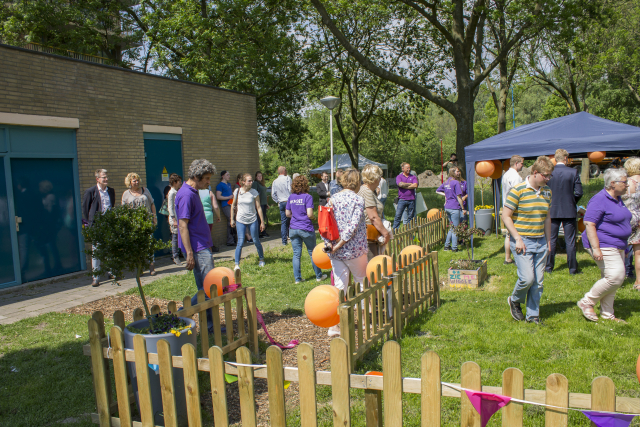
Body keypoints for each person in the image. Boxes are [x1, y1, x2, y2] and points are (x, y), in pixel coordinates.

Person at [503, 156, 554, 325]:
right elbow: (506, 216)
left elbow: (547, 218)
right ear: (535, 172)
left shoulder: (547, 192)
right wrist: (517, 238)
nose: (547, 179)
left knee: (538, 282)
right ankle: (515, 300)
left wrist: (548, 241)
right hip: (523, 240)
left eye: (549, 176)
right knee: (527, 278)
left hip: (540, 240)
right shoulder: (518, 190)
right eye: (545, 175)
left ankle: (532, 317)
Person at [577, 169, 631, 323]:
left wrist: (625, 247)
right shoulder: (599, 199)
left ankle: (607, 314)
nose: (627, 185)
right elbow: (589, 224)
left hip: (618, 245)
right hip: (603, 244)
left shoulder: (618, 198)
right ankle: (587, 301)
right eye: (624, 182)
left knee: (610, 279)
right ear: (612, 184)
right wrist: (596, 249)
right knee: (616, 277)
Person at [322, 168, 368, 337]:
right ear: (357, 182)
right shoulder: (358, 200)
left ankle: (335, 325)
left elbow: (324, 223)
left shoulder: (332, 199)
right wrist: (340, 243)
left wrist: (331, 244)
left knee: (339, 287)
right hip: (355, 250)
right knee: (362, 283)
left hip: (336, 251)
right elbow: (353, 227)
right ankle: (363, 320)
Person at [176, 159, 217, 332]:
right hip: (198, 249)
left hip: (202, 246)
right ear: (196, 176)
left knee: (204, 288)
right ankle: (181, 314)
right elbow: (182, 225)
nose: (208, 182)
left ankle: (209, 326)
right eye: (206, 179)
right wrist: (189, 253)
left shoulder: (194, 192)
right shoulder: (186, 195)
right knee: (209, 287)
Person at [545, 149, 583, 275]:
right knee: (570, 241)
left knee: (551, 239)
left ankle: (548, 267)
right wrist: (572, 202)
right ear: (566, 158)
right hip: (569, 210)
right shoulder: (573, 172)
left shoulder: (550, 172)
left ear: (555, 159)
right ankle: (572, 269)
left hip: (553, 210)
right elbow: (579, 192)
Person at [286, 175, 328, 283]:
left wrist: (296, 216)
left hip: (293, 228)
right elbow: (309, 214)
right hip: (305, 228)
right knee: (312, 252)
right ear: (305, 184)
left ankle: (297, 279)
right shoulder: (307, 197)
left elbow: (287, 213)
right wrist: (314, 218)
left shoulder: (291, 197)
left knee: (296, 254)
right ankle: (319, 276)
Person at [82, 169, 115, 287]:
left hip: (108, 225)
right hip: (96, 225)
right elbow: (86, 210)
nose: (106, 179)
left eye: (106, 177)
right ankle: (96, 277)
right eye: (103, 177)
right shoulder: (90, 191)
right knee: (96, 250)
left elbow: (112, 205)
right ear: (97, 179)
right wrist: (91, 222)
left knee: (110, 249)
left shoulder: (111, 191)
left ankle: (111, 272)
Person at [122, 172, 157, 276]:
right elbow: (124, 210)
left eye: (137, 180)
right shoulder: (126, 194)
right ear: (130, 182)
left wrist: (154, 217)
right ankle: (140, 268)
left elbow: (152, 204)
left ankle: (151, 267)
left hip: (147, 222)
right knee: (138, 247)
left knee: (149, 245)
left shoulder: (145, 190)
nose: (136, 182)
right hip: (134, 224)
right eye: (134, 181)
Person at [230, 173, 266, 270]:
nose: (251, 182)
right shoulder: (237, 191)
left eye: (251, 180)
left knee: (256, 240)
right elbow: (232, 205)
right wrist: (232, 219)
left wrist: (262, 221)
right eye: (249, 181)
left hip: (252, 219)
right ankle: (237, 264)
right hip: (240, 220)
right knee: (240, 242)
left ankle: (261, 259)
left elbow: (258, 207)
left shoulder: (254, 192)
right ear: (243, 182)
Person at [359, 164, 391, 259]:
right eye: (380, 177)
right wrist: (386, 233)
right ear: (375, 178)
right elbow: (373, 217)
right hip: (368, 236)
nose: (381, 179)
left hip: (368, 235)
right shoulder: (367, 192)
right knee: (373, 267)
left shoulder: (366, 190)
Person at [436, 167, 466, 251]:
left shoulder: (446, 182)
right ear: (453, 173)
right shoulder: (456, 182)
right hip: (454, 207)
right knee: (455, 229)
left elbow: (437, 191)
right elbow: (459, 197)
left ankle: (446, 246)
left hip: (447, 207)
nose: (458, 173)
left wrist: (445, 195)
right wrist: (463, 208)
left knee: (452, 228)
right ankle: (454, 248)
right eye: (457, 172)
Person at [501, 155, 524, 265]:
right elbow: (518, 193)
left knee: (509, 234)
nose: (522, 166)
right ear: (516, 163)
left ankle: (508, 257)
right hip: (514, 208)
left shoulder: (506, 174)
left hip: (507, 205)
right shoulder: (515, 176)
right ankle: (517, 257)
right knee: (516, 233)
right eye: (522, 164)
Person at [624, 157, 640, 288]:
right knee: (638, 252)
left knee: (620, 249)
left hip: (625, 218)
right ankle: (638, 282)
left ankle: (619, 276)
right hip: (639, 218)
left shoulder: (626, 183)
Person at [393, 162, 418, 230]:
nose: (409, 169)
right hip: (402, 199)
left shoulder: (413, 176)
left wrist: (405, 186)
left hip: (411, 199)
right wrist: (410, 184)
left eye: (409, 168)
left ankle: (409, 231)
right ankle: (395, 230)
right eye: (407, 168)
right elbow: (400, 184)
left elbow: (415, 185)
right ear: (403, 168)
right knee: (398, 215)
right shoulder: (399, 176)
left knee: (411, 216)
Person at [271, 166, 292, 245]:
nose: (286, 171)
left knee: (283, 222)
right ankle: (292, 237)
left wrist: (278, 201)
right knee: (291, 220)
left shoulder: (275, 181)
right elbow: (290, 190)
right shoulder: (287, 178)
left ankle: (284, 241)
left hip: (281, 202)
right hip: (288, 201)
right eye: (286, 170)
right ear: (283, 171)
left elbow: (273, 194)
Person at [198, 185, 221, 253]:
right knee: (207, 236)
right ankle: (208, 253)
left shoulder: (196, 192)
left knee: (199, 236)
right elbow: (216, 207)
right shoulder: (209, 192)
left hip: (198, 216)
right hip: (208, 216)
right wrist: (218, 217)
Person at [216, 170, 236, 247]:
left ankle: (233, 239)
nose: (229, 176)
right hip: (225, 205)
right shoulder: (220, 185)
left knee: (231, 221)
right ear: (223, 176)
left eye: (229, 175)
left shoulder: (229, 184)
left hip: (231, 204)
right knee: (231, 220)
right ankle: (230, 240)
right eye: (227, 175)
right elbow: (218, 196)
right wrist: (228, 197)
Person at [167, 173, 183, 265]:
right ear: (175, 182)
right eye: (179, 181)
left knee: (179, 236)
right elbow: (170, 207)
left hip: (179, 218)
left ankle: (180, 253)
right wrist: (173, 220)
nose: (180, 183)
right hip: (175, 219)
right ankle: (175, 256)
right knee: (175, 237)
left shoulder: (177, 191)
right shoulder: (171, 192)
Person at [252, 171, 270, 238]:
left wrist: (266, 203)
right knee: (259, 218)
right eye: (258, 176)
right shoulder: (255, 183)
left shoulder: (262, 183)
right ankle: (259, 233)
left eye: (261, 176)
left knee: (263, 217)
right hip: (259, 203)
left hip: (264, 203)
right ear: (256, 177)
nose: (260, 177)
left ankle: (262, 231)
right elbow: (254, 193)